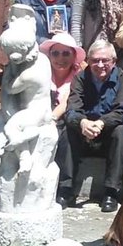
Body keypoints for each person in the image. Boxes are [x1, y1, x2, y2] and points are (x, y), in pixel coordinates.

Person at [63, 40, 123, 212]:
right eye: (95, 60)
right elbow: (72, 109)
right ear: (88, 61)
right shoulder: (80, 78)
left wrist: (102, 123)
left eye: (105, 60)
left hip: (108, 133)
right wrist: (83, 122)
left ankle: (111, 192)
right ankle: (66, 189)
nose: (100, 65)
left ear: (114, 61)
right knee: (67, 132)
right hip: (85, 131)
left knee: (122, 132)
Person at [38, 33, 86, 203]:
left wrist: (50, 120)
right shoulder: (41, 72)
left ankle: (65, 188)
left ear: (74, 56)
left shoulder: (79, 74)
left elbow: (67, 103)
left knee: (67, 133)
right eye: (56, 53)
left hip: (65, 117)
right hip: (41, 116)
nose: (60, 58)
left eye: (66, 54)